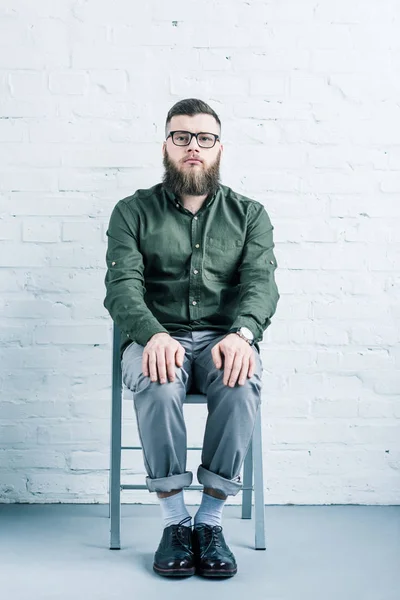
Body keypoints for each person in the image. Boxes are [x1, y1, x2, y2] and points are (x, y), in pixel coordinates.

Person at [103, 98, 279, 579]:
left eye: (204, 138)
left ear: (219, 148)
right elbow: (121, 289)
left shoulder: (249, 214)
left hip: (225, 339)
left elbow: (261, 284)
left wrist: (243, 334)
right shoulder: (131, 211)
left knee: (241, 386)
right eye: (182, 137)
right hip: (156, 337)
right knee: (157, 384)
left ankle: (210, 522)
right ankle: (175, 522)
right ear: (166, 146)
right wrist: (153, 335)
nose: (193, 147)